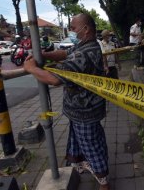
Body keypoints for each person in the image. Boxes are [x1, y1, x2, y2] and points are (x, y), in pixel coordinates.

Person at [23, 13, 110, 190]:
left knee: (91, 146)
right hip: (85, 109)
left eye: (73, 27)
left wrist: (31, 68)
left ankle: (104, 184)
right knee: (89, 142)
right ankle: (90, 169)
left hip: (85, 112)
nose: (71, 30)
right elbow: (65, 52)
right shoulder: (87, 46)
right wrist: (45, 55)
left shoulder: (84, 53)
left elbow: (54, 79)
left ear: (85, 29)